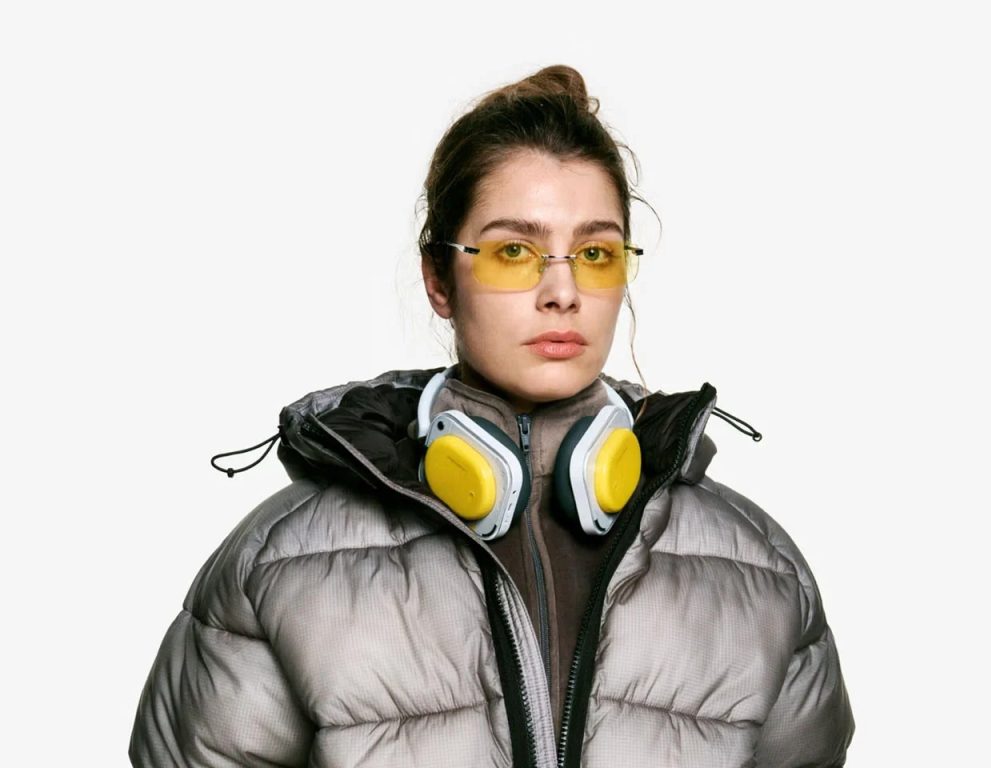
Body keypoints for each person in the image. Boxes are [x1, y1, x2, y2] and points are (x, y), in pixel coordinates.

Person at [129, 64, 855, 767]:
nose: (563, 291)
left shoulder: (762, 570)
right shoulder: (278, 564)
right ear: (439, 279)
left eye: (595, 252)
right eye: (514, 251)